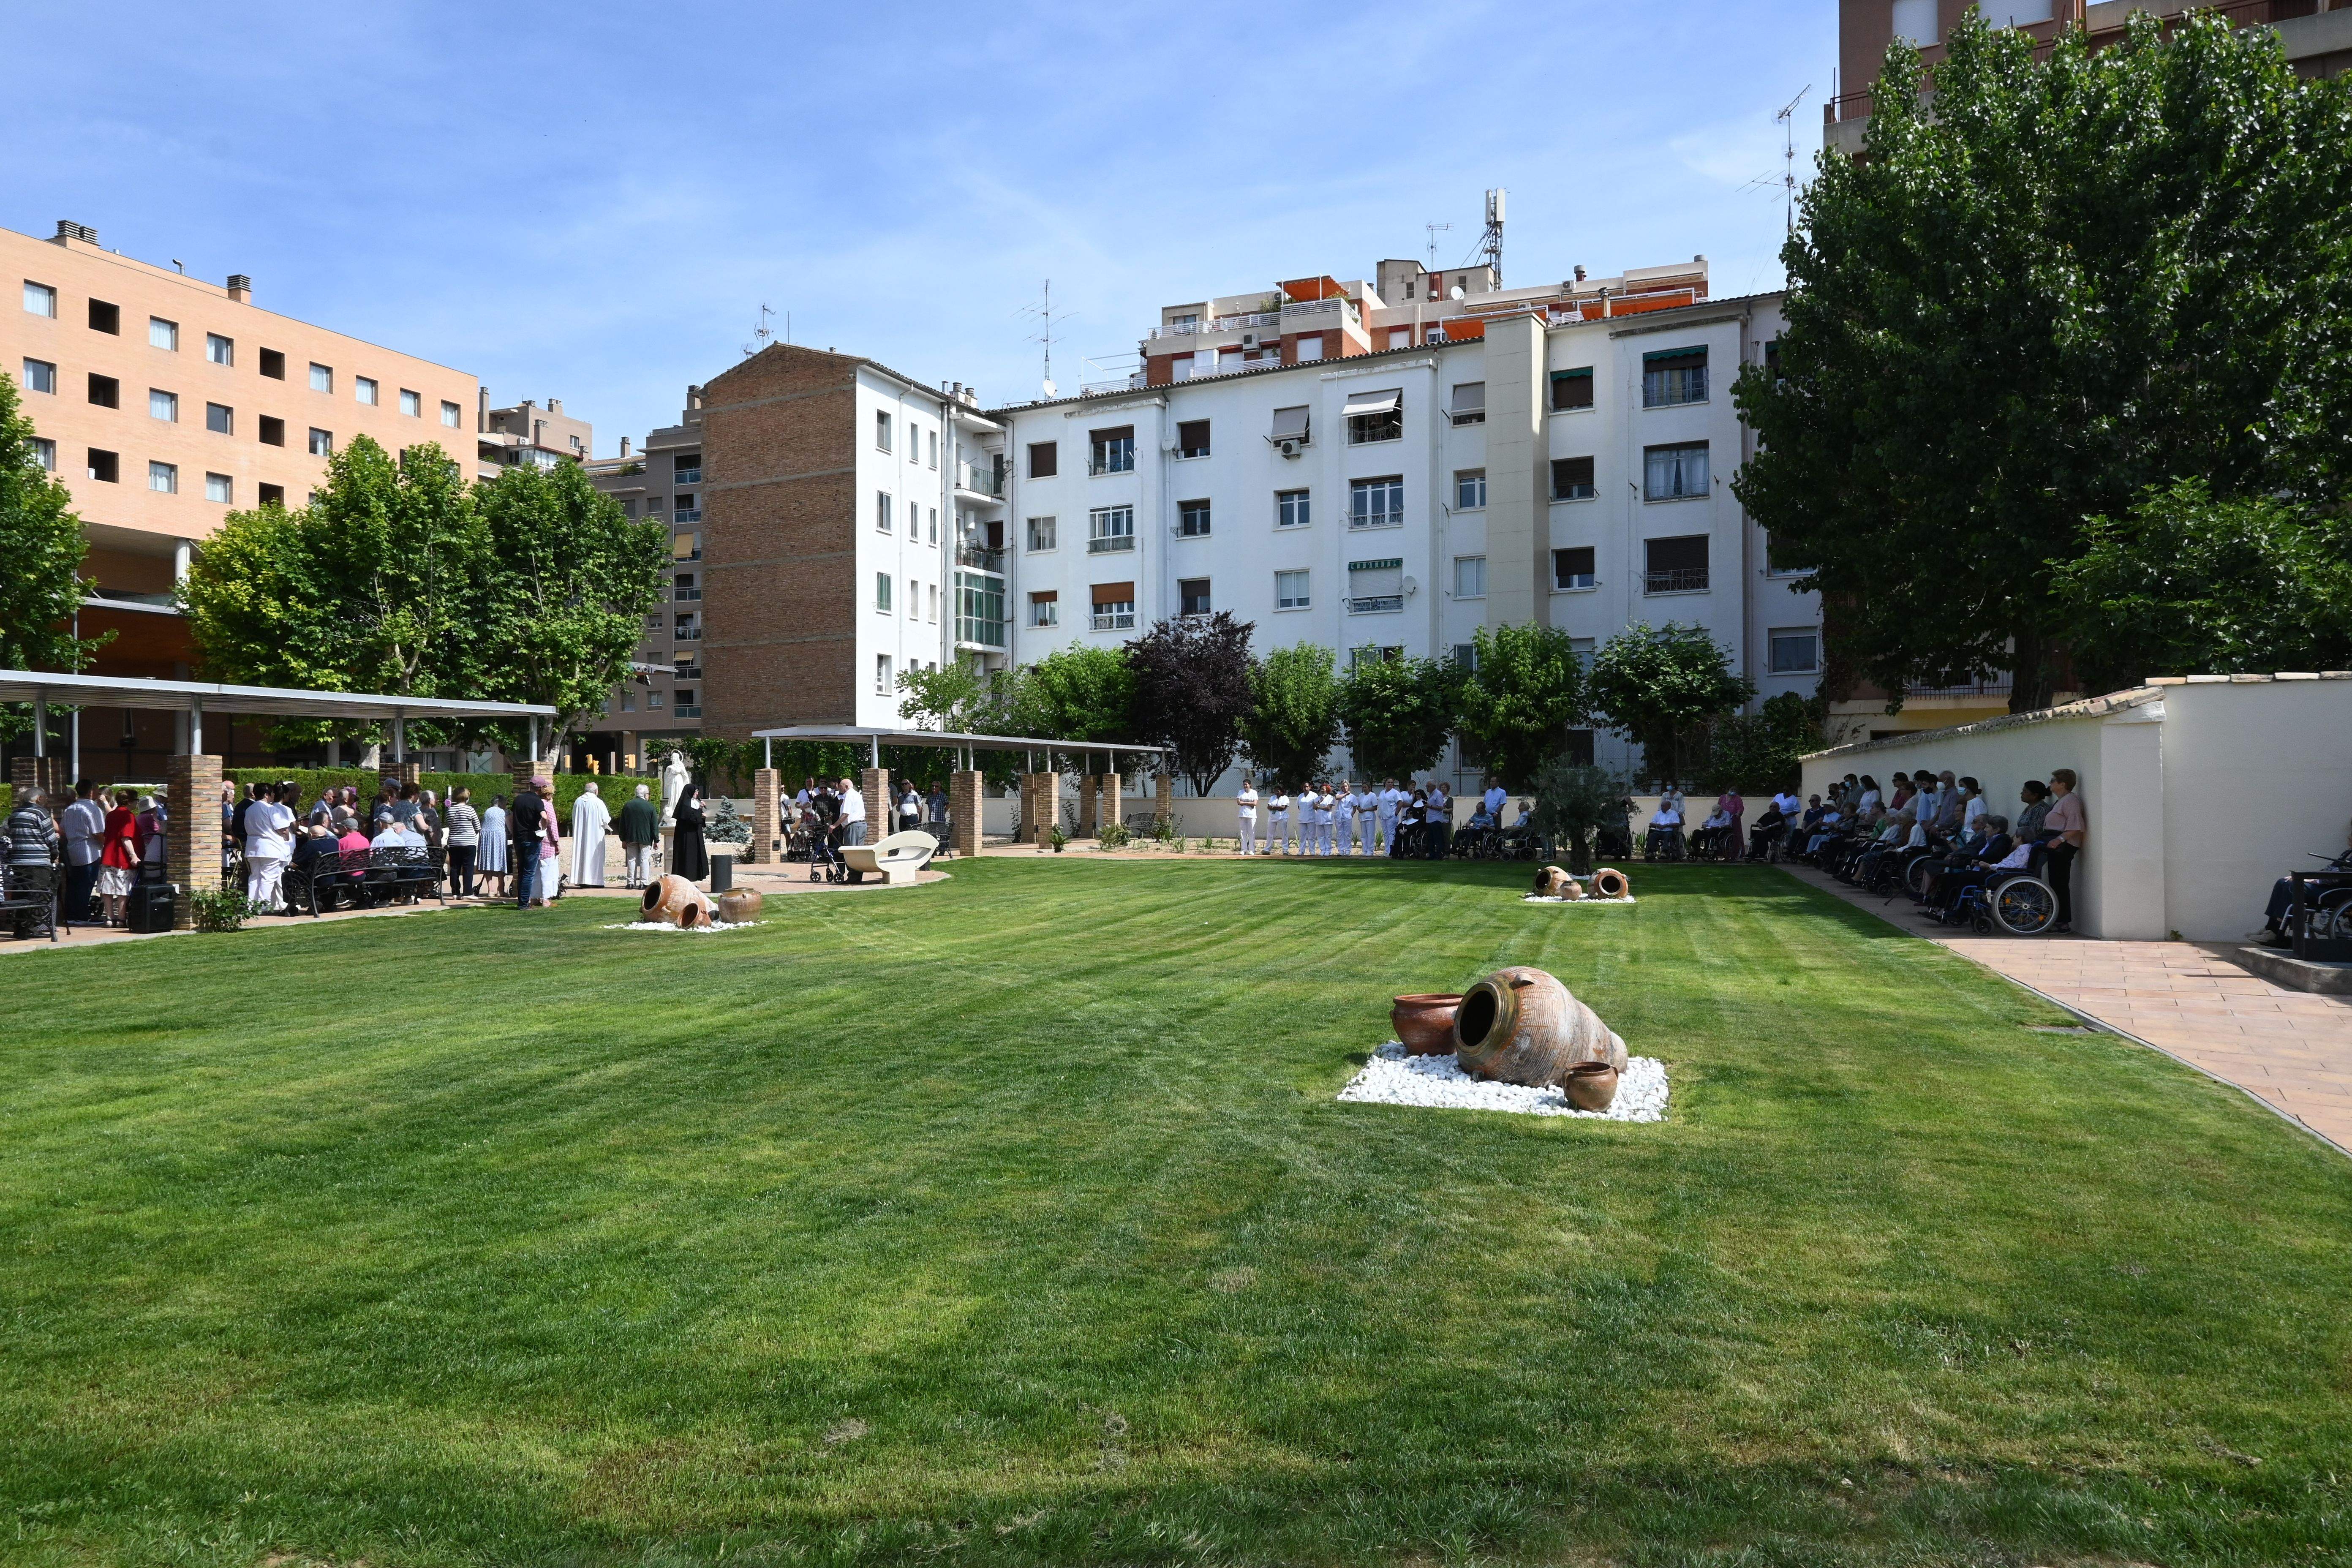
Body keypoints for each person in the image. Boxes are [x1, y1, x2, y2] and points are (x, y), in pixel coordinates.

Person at [5, 789, 60, 938]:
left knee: (21, 894)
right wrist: (54, 854)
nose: (46, 802)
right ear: (39, 799)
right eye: (46, 799)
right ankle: (30, 927)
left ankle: (19, 927)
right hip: (38, 862)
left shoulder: (14, 814)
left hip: (18, 862)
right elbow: (51, 840)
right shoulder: (41, 814)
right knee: (37, 895)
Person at [2040, 767, 2087, 934]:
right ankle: (2056, 918)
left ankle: (2063, 922)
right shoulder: (2061, 801)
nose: (2050, 784)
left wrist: (2059, 840)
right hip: (2056, 845)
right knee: (2055, 882)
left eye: (2053, 781)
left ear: (2062, 784)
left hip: (2063, 846)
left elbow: (2076, 826)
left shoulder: (2071, 801)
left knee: (2060, 883)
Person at [243, 781, 297, 913]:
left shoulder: (249, 809)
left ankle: (251, 905)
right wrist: (286, 837)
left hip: (253, 847)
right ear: (267, 795)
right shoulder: (270, 809)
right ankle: (262, 906)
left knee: (255, 876)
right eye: (272, 793)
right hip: (270, 848)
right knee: (268, 877)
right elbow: (283, 829)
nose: (274, 796)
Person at [60, 780, 104, 923]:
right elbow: (98, 833)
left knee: (74, 884)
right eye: (97, 789)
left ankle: (72, 915)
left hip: (73, 849)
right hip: (89, 851)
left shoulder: (70, 809)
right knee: (86, 884)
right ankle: (81, 916)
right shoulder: (93, 809)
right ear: (91, 791)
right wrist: (107, 845)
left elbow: (63, 830)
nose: (99, 792)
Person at [95, 788, 138, 927]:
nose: (137, 804)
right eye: (136, 801)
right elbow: (126, 838)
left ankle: (109, 918)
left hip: (108, 855)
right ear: (130, 802)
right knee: (123, 889)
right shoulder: (129, 816)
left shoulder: (111, 815)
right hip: (122, 857)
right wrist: (133, 855)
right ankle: (121, 919)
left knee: (107, 888)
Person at [507, 782, 548, 910]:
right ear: (540, 788)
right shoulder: (537, 801)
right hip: (532, 839)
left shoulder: (518, 799)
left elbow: (509, 818)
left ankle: (522, 901)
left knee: (521, 872)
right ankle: (524, 904)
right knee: (528, 873)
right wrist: (544, 829)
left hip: (519, 839)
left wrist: (514, 833)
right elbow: (544, 816)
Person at [569, 780, 612, 889]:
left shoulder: (578, 801)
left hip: (581, 835)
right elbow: (606, 819)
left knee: (582, 855)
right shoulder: (598, 802)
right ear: (596, 791)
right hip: (595, 835)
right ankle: (595, 881)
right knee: (595, 856)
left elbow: (574, 817)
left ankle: (582, 880)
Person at [619, 784, 660, 887]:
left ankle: (630, 883)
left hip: (631, 837)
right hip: (646, 838)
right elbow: (654, 825)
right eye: (649, 794)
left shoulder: (628, 805)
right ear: (645, 794)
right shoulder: (650, 806)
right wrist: (656, 840)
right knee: (644, 860)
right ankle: (644, 883)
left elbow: (622, 824)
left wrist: (623, 839)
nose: (649, 796)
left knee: (631, 859)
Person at [443, 787, 480, 896]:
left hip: (454, 843)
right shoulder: (470, 810)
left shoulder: (450, 810)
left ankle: (455, 892)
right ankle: (468, 892)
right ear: (467, 797)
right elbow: (478, 826)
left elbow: (450, 825)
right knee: (468, 868)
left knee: (455, 868)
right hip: (468, 843)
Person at [478, 794, 510, 900]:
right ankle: (500, 890)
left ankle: (490, 890)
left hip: (486, 838)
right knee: (501, 862)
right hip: (499, 837)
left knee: (488, 863)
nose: (506, 805)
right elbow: (510, 826)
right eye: (505, 803)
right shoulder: (505, 812)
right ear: (501, 803)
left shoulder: (488, 811)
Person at [831, 776, 864, 876]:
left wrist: (834, 826)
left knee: (851, 852)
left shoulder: (849, 795)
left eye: (841, 787)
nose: (840, 789)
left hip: (853, 827)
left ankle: (853, 876)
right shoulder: (857, 794)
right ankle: (857, 876)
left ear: (846, 787)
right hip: (860, 825)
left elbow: (846, 814)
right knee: (858, 853)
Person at [1424, 781, 1452, 859]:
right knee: (1431, 838)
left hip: (1436, 819)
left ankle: (1439, 854)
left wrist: (1431, 807)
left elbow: (1440, 808)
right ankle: (1432, 854)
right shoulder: (1431, 795)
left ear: (1433, 786)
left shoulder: (1438, 795)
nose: (1427, 788)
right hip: (1430, 819)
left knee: (1438, 838)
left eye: (1428, 786)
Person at [1236, 776, 1259, 856]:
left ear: (1250, 785)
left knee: (1251, 832)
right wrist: (1249, 803)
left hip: (1252, 815)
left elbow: (1255, 803)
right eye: (1244, 785)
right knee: (1243, 832)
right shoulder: (1241, 792)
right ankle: (1244, 849)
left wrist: (1244, 803)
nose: (1245, 786)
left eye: (1246, 785)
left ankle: (1252, 850)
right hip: (1243, 814)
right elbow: (1239, 802)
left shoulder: (1254, 792)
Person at [1266, 787, 1291, 855]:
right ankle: (1267, 849)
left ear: (1282, 792)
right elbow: (1269, 807)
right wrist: (1277, 808)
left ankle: (1285, 850)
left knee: (1284, 834)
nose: (1277, 793)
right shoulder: (1272, 798)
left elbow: (1283, 808)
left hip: (1282, 818)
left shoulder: (1285, 798)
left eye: (1278, 791)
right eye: (1275, 791)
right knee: (1270, 834)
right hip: (1272, 818)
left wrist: (1274, 808)